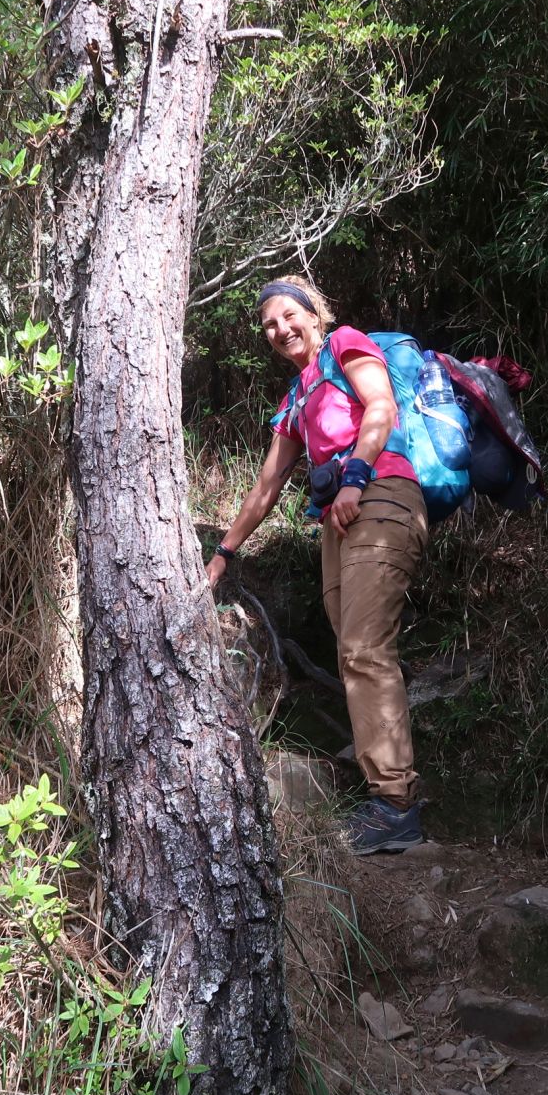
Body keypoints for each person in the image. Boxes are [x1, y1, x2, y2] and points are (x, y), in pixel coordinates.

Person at [206, 275, 428, 854]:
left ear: (315, 313)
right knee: (353, 649)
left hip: (381, 495)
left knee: (363, 648)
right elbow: (265, 487)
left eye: (287, 316)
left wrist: (354, 473)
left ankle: (396, 803)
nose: (280, 330)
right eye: (269, 326)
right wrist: (223, 556)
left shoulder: (347, 344)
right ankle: (387, 789)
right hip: (339, 522)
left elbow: (380, 404)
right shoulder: (296, 399)